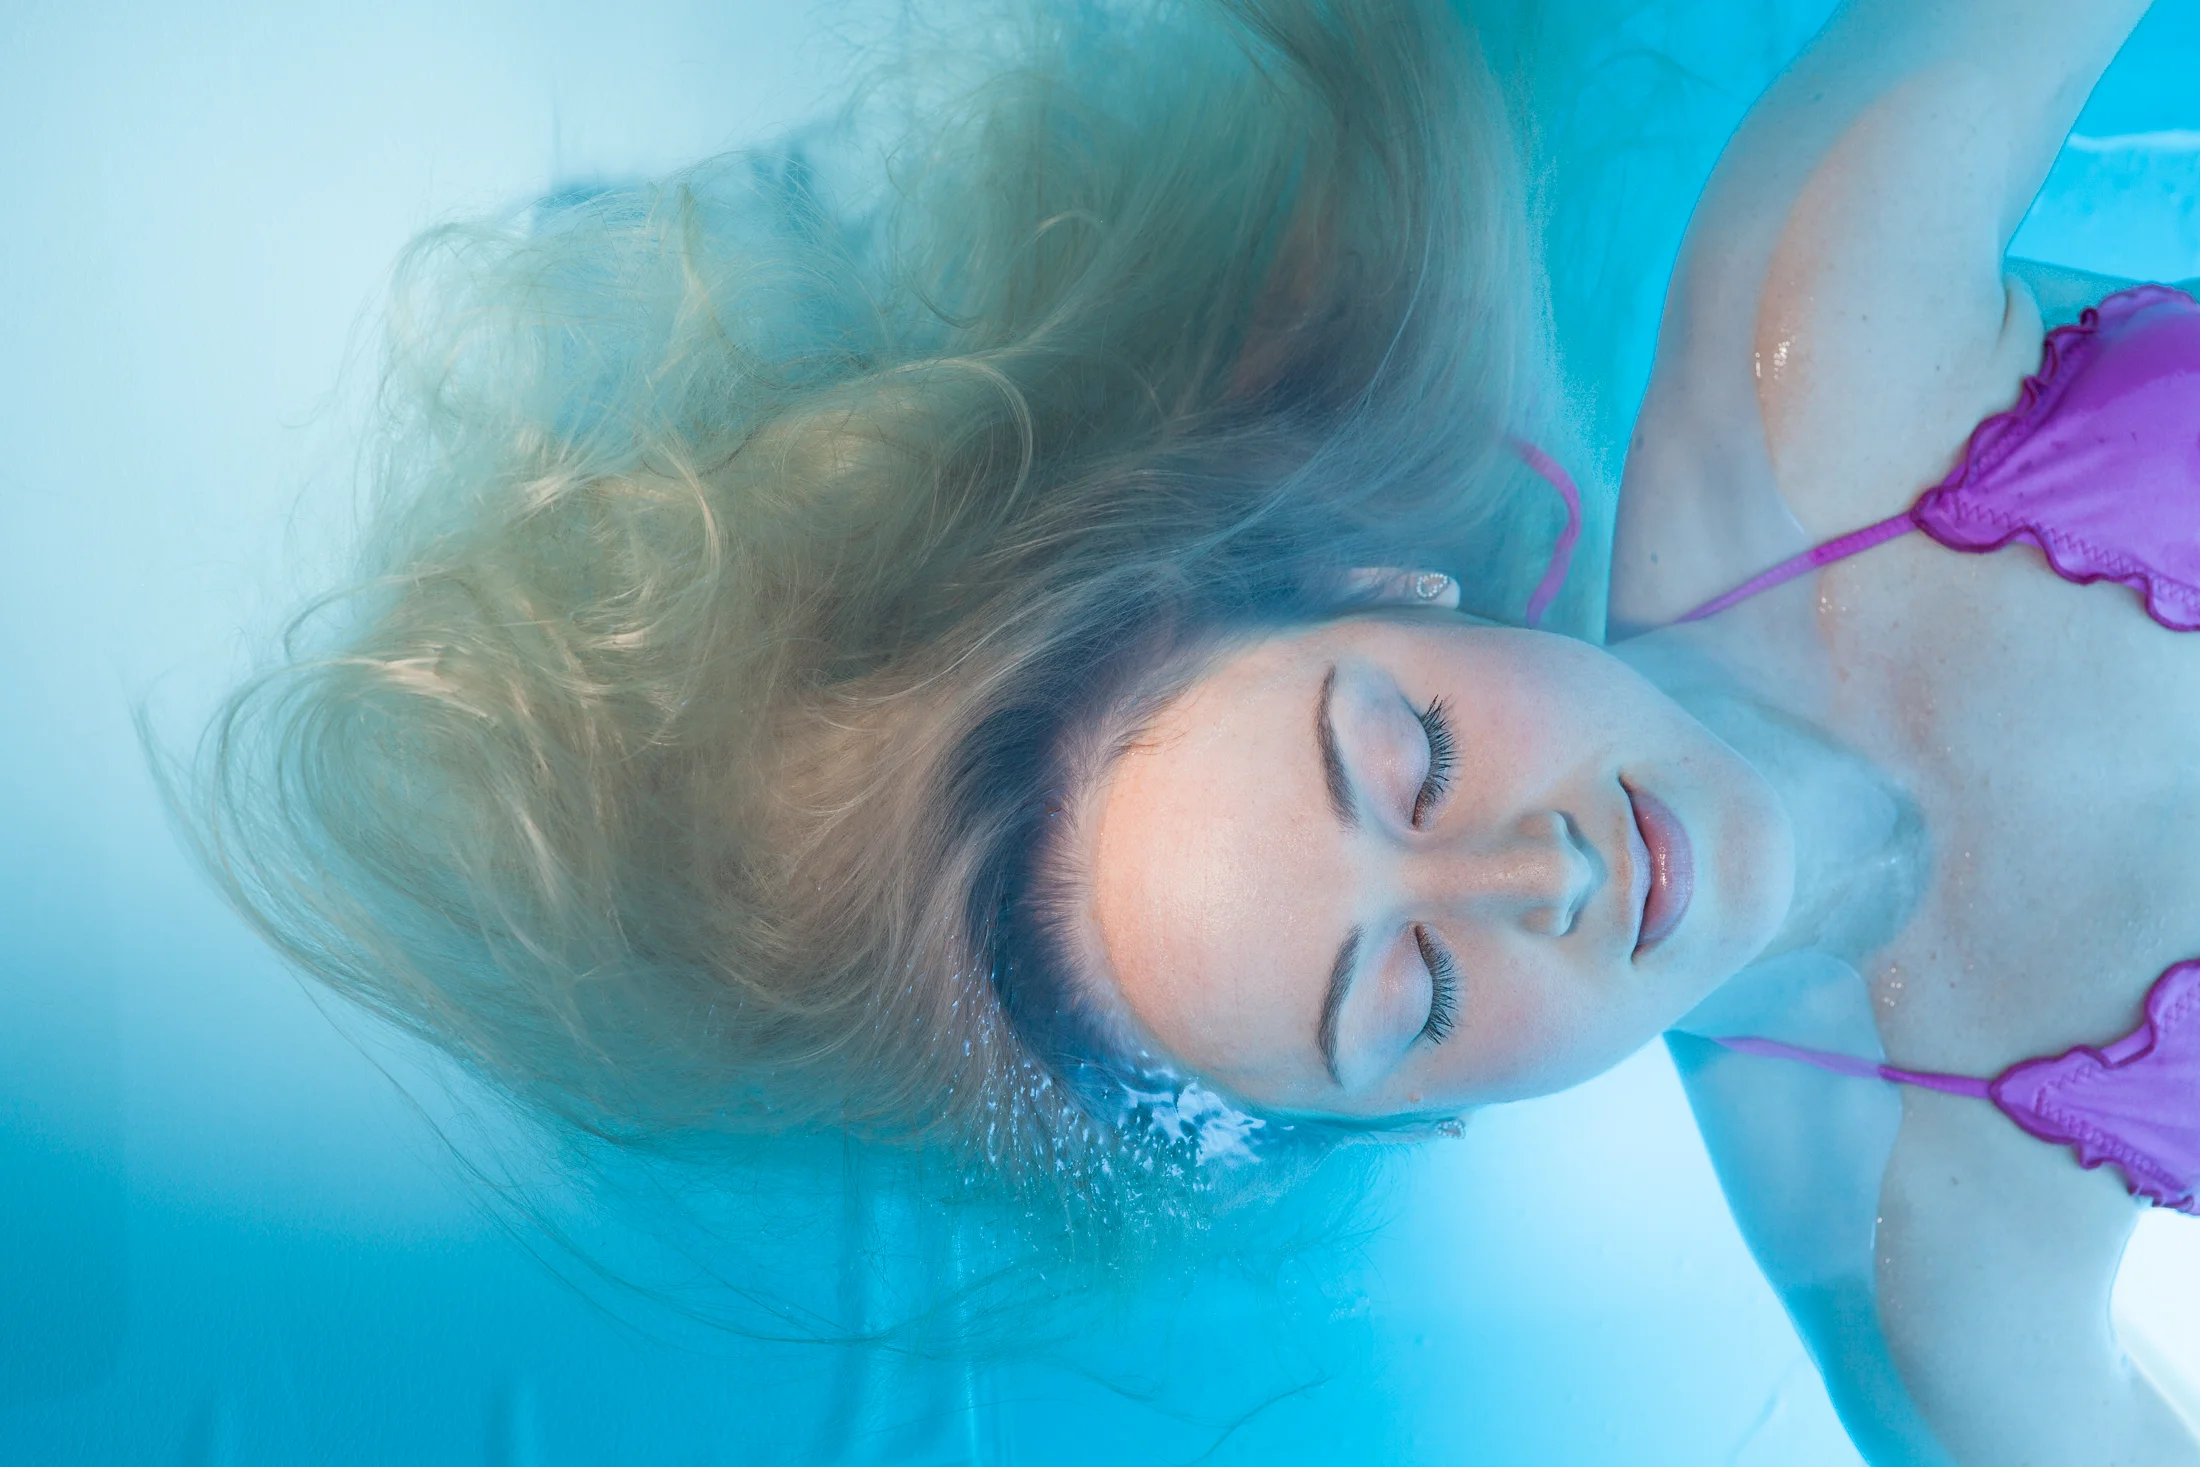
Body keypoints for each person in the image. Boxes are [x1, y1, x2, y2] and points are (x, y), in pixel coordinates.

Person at [182, 0, 2200, 1461]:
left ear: (1399, 592)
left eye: (1409, 757)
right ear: (1433, 1112)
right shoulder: (1930, 1266)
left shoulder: (1816, 318)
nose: (1538, 871)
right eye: (1409, 992)